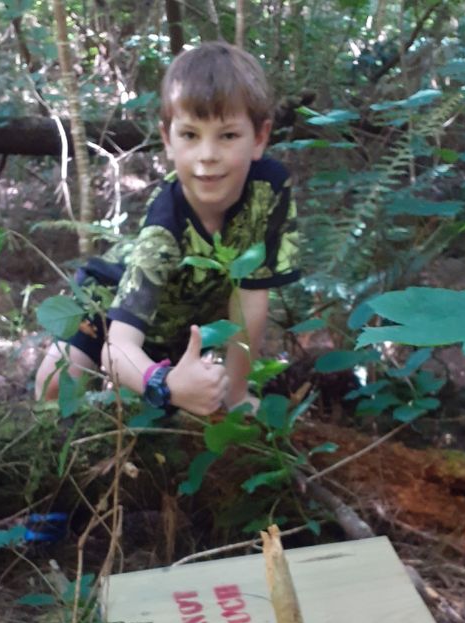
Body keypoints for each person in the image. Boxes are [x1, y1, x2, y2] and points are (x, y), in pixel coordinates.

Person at [34, 41, 300, 415]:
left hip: (181, 320)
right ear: (167, 140)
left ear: (259, 137)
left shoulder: (269, 189)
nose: (208, 154)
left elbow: (251, 295)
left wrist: (236, 393)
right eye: (190, 135)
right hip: (109, 302)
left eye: (227, 135)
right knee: (56, 390)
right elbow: (118, 346)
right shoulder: (165, 227)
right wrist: (162, 384)